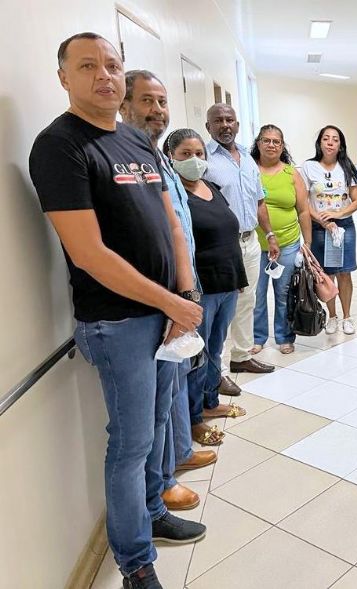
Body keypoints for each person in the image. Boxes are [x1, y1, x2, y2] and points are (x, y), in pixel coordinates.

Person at [29, 33, 205, 589]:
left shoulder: (133, 138)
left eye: (111, 65)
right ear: (64, 78)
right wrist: (170, 301)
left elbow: (171, 222)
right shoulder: (59, 146)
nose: (104, 75)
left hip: (166, 315)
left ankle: (152, 512)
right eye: (88, 66)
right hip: (118, 322)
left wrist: (184, 297)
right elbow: (88, 253)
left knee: (157, 423)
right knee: (131, 443)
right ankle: (135, 562)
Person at [120, 69, 216, 513]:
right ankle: (161, 483)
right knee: (154, 405)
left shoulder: (155, 157)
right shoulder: (128, 160)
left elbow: (178, 230)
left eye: (162, 102)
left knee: (175, 383)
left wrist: (188, 290)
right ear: (124, 105)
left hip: (181, 291)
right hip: (153, 301)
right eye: (146, 101)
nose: (157, 110)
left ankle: (177, 454)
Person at [164, 128, 250, 445]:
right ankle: (194, 417)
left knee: (216, 348)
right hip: (201, 287)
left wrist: (238, 279)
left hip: (227, 281)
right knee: (196, 354)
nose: (195, 160)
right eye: (185, 154)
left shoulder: (210, 186)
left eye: (199, 153)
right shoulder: (174, 195)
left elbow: (227, 232)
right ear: (170, 157)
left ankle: (210, 401)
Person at [204, 104, 277, 384]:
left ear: (237, 124)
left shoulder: (247, 158)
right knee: (221, 307)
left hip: (250, 241)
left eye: (230, 120)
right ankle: (217, 371)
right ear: (209, 126)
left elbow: (259, 201)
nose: (225, 125)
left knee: (248, 301)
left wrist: (269, 234)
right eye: (218, 121)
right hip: (221, 246)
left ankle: (241, 356)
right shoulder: (204, 159)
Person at [250, 124, 312, 354]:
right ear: (258, 144)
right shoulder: (249, 170)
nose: (271, 145)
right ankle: (257, 337)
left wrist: (307, 243)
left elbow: (303, 210)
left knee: (284, 293)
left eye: (276, 141)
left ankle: (285, 336)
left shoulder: (291, 174)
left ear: (282, 146)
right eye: (266, 140)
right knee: (256, 295)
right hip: (256, 244)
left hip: (287, 244)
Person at [301, 125, 357, 335]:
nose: (330, 142)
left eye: (335, 139)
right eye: (326, 138)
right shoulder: (308, 167)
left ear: (340, 145)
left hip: (344, 227)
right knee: (326, 274)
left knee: (344, 273)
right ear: (319, 143)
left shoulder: (347, 167)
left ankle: (347, 317)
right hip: (319, 228)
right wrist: (322, 220)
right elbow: (303, 202)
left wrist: (338, 214)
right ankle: (332, 316)